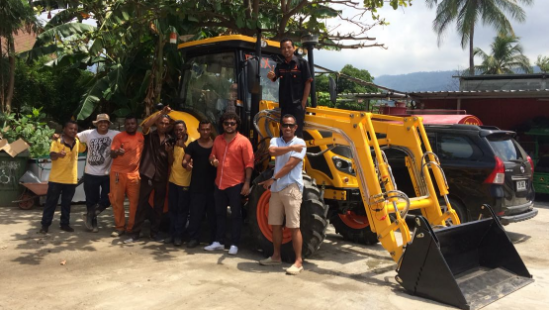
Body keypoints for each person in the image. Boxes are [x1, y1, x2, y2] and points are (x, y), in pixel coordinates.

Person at [258, 114, 307, 275]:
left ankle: (298, 262)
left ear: (295, 128)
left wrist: (272, 178)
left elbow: (290, 165)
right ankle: (276, 256)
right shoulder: (276, 141)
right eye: (285, 125)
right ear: (281, 126)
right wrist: (291, 149)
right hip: (277, 189)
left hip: (291, 187)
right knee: (275, 225)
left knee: (293, 226)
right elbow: (272, 151)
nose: (287, 128)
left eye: (290, 125)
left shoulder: (300, 143)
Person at [204, 112, 254, 255]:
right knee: (219, 213)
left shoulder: (243, 142)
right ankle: (219, 242)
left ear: (237, 125)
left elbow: (249, 164)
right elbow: (212, 156)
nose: (229, 126)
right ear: (223, 125)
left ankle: (234, 243)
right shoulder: (218, 140)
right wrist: (213, 161)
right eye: (227, 123)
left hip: (236, 183)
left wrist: (247, 183)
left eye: (232, 123)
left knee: (235, 215)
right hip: (219, 183)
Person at [124, 106, 173, 243]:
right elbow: (145, 125)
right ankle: (135, 233)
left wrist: (169, 152)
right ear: (157, 123)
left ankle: (154, 233)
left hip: (161, 176)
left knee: (159, 206)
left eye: (166, 123)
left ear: (169, 126)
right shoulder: (150, 135)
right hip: (147, 174)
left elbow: (171, 161)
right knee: (142, 204)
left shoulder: (170, 139)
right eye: (161, 122)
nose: (163, 125)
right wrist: (161, 113)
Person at [39, 120, 87, 233]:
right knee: (51, 203)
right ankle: (45, 225)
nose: (73, 131)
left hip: (71, 179)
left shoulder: (77, 141)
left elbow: (83, 148)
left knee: (66, 203)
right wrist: (58, 154)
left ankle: (64, 224)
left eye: (75, 129)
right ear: (64, 129)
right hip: (56, 179)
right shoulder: (57, 141)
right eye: (70, 128)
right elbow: (52, 156)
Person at [79, 114, 120, 233]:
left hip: (107, 174)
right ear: (96, 123)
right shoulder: (88, 134)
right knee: (91, 200)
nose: (103, 124)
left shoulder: (115, 134)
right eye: (100, 122)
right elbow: (74, 138)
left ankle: (89, 215)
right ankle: (93, 223)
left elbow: (127, 136)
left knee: (108, 199)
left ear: (108, 124)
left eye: (105, 122)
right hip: (90, 173)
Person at [267, 38, 313, 138]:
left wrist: (303, 103)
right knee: (283, 133)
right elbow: (274, 77)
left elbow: (308, 82)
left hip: (297, 106)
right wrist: (271, 76)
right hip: (284, 106)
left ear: (293, 48)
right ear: (281, 50)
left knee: (296, 134)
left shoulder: (302, 63)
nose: (286, 50)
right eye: (283, 48)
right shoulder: (280, 65)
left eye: (288, 47)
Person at [182, 120, 217, 248]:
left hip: (214, 187)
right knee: (195, 214)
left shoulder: (216, 146)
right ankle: (193, 238)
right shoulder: (193, 146)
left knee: (213, 215)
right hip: (197, 186)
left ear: (211, 130)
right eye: (203, 129)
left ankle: (214, 239)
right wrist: (186, 164)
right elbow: (185, 160)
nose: (205, 132)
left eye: (208, 129)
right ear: (198, 130)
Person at [108, 114, 144, 237]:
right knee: (117, 201)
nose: (130, 126)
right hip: (118, 174)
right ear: (125, 125)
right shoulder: (119, 137)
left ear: (136, 125)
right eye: (128, 124)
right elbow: (112, 154)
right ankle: (120, 227)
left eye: (132, 123)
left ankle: (131, 228)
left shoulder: (141, 137)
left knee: (135, 203)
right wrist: (117, 152)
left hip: (134, 174)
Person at [166, 120, 192, 246]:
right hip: (173, 180)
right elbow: (171, 162)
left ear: (185, 129)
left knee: (182, 210)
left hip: (185, 183)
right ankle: (172, 234)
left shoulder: (191, 142)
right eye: (176, 130)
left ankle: (179, 236)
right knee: (173, 209)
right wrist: (170, 151)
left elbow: (193, 158)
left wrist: (184, 146)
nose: (178, 132)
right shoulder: (173, 142)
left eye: (180, 129)